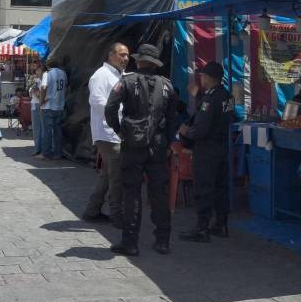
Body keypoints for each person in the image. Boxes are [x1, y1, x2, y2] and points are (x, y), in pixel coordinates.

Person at [105, 44, 177, 256]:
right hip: (158, 146)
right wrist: (167, 141)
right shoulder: (167, 86)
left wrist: (119, 130)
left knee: (131, 193)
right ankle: (163, 240)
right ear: (154, 64)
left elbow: (110, 109)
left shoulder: (126, 82)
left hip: (133, 145)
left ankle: (130, 242)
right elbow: (173, 118)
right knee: (159, 193)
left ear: (138, 61)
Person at [178, 61, 234, 242]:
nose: (200, 78)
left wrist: (186, 132)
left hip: (207, 150)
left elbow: (201, 128)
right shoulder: (227, 96)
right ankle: (221, 224)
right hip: (222, 148)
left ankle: (201, 228)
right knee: (220, 187)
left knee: (204, 187)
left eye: (202, 75)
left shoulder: (210, 100)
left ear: (209, 78)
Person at [83, 42, 130, 223]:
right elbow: (96, 100)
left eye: (127, 55)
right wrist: (119, 113)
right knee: (117, 175)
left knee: (108, 174)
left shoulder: (120, 75)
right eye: (121, 54)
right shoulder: (102, 75)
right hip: (108, 131)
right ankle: (117, 214)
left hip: (114, 131)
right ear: (110, 55)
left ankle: (92, 210)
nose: (125, 58)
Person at [37, 58, 68, 159]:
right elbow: (66, 87)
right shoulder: (63, 73)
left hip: (48, 106)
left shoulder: (48, 73)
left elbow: (44, 87)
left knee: (47, 131)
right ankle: (58, 153)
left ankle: (46, 153)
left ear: (48, 65)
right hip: (59, 106)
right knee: (58, 131)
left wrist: (41, 100)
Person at [29, 62, 45, 156]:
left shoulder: (40, 80)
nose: (36, 71)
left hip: (37, 104)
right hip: (35, 104)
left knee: (37, 128)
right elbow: (31, 93)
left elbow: (38, 94)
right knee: (38, 128)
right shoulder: (36, 80)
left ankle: (38, 148)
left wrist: (34, 91)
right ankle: (39, 147)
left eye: (38, 70)